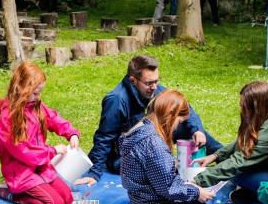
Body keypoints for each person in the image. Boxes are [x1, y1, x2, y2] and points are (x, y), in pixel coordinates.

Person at [76, 55, 222, 187]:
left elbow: (184, 108)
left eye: (156, 81)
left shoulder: (156, 90)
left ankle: (227, 158)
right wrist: (93, 173)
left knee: (193, 131)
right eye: (149, 83)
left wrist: (197, 130)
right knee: (159, 168)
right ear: (133, 80)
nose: (154, 87)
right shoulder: (116, 100)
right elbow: (104, 138)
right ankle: (169, 166)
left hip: (155, 141)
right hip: (127, 155)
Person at [118, 90, 217, 204]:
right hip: (153, 201)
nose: (177, 127)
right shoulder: (154, 143)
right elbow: (169, 188)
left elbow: (149, 167)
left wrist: (173, 166)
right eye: (179, 122)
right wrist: (196, 192)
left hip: (139, 196)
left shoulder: (142, 127)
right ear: (171, 115)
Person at [0, 62, 79, 204]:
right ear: (21, 89)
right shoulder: (8, 119)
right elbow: (25, 152)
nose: (39, 97)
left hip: (40, 167)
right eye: (36, 93)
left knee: (67, 199)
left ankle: (34, 190)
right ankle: (11, 194)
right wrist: (52, 151)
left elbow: (52, 117)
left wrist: (71, 133)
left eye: (40, 92)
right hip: (21, 174)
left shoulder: (34, 105)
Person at [193, 81, 268, 204]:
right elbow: (249, 141)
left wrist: (196, 182)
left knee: (237, 172)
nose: (241, 109)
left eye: (243, 106)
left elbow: (241, 161)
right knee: (229, 167)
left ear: (256, 107)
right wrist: (216, 155)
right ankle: (256, 194)